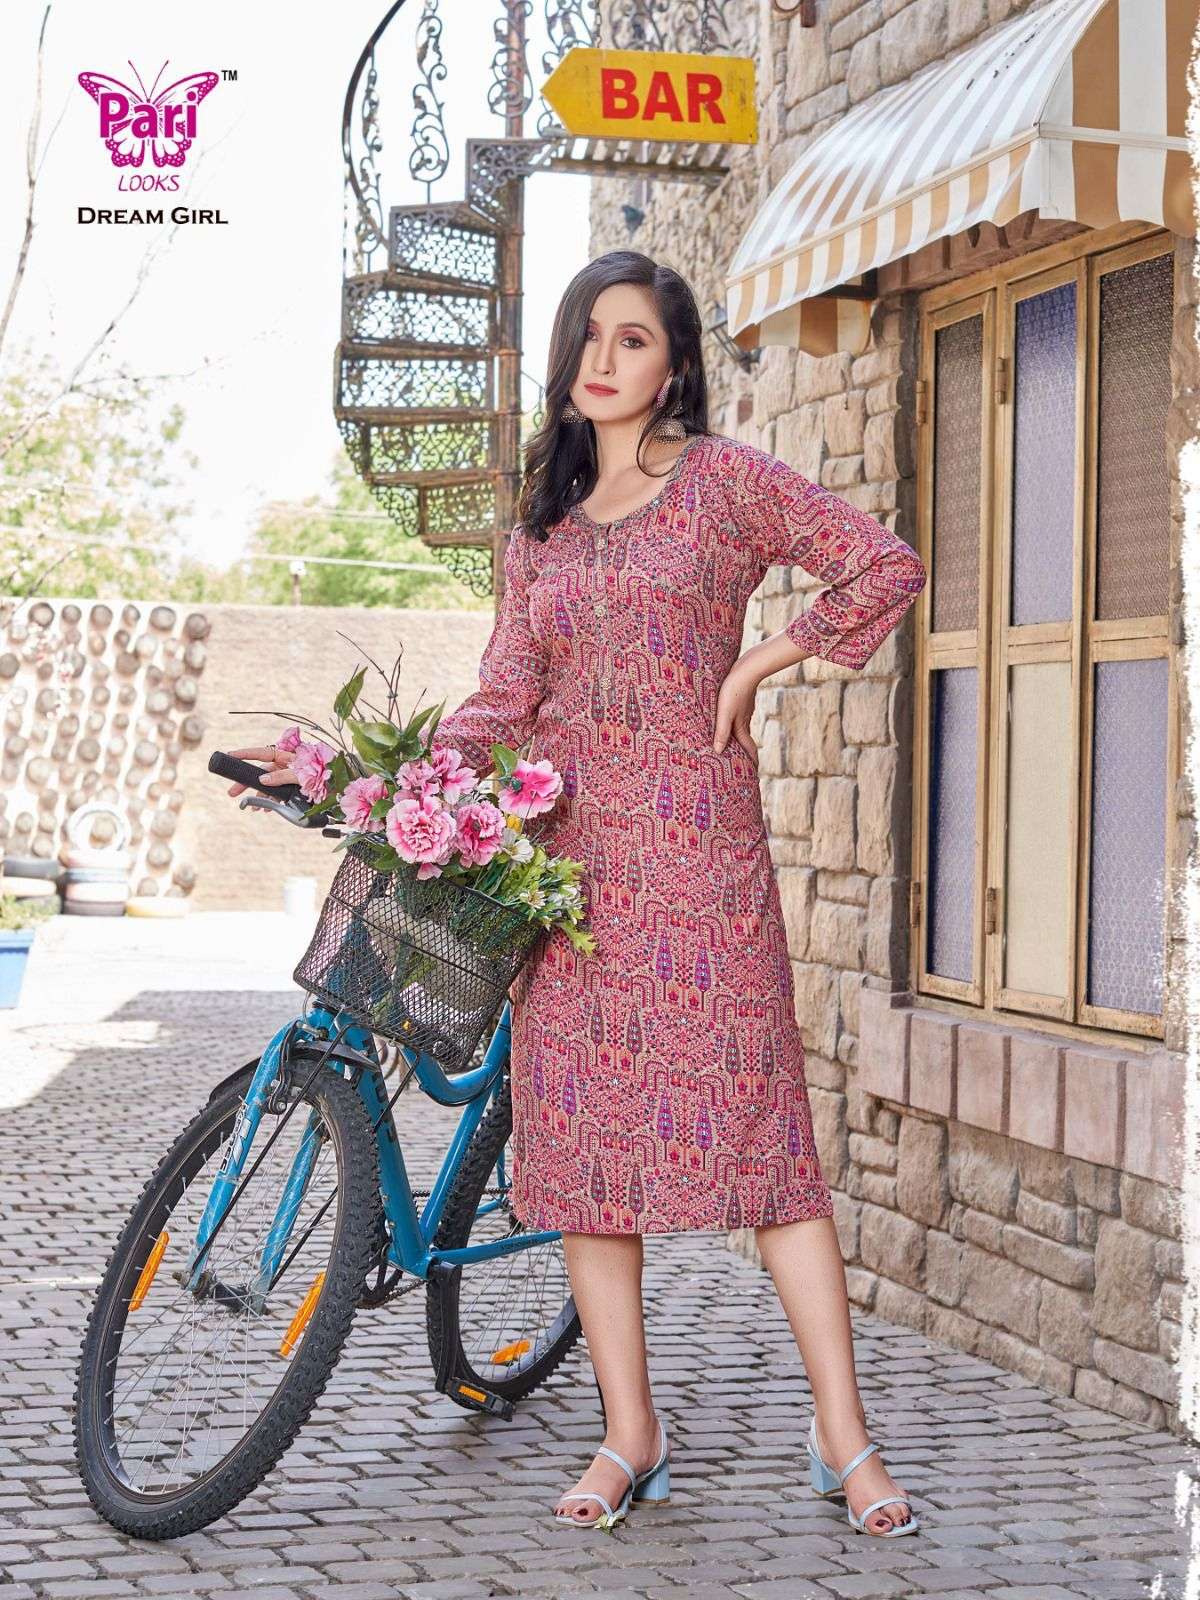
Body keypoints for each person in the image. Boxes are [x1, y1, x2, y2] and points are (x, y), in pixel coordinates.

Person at [228, 250, 927, 1538]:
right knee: (588, 1161)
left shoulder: (724, 484)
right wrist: (352, 768)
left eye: (634, 339)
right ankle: (628, 1433)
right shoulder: (538, 530)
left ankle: (846, 1440)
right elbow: (502, 702)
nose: (604, 360)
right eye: (588, 336)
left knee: (769, 1147)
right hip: (568, 881)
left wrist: (760, 662)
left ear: (675, 366)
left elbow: (882, 565)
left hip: (703, 863)